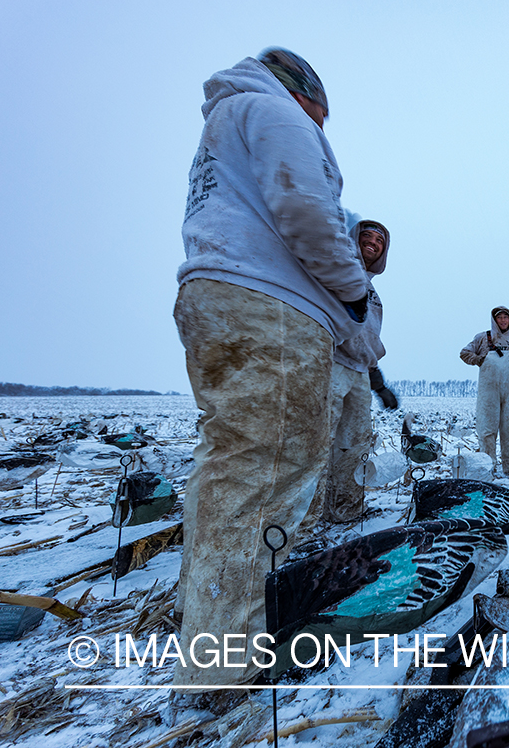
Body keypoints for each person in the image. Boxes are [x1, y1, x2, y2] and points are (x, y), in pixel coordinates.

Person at [173, 48, 371, 695]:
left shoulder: (225, 125)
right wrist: (353, 291)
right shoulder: (274, 112)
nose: (321, 126)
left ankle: (205, 620)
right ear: (304, 95)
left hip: (218, 297)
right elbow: (308, 213)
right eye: (322, 115)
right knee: (266, 470)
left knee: (232, 467)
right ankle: (229, 661)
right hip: (270, 309)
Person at [308, 214, 399, 525]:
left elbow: (366, 341)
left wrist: (378, 384)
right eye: (367, 237)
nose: (373, 243)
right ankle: (306, 518)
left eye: (379, 241)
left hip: (359, 373)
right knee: (317, 441)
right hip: (331, 365)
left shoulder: (373, 294)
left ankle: (345, 509)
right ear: (353, 240)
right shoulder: (336, 274)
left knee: (355, 442)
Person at [460, 307, 509, 476]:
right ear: (494, 320)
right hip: (488, 394)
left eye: (506, 317)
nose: (503, 320)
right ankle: (487, 467)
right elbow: (464, 353)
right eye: (500, 317)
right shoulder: (483, 338)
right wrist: (478, 359)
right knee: (487, 430)